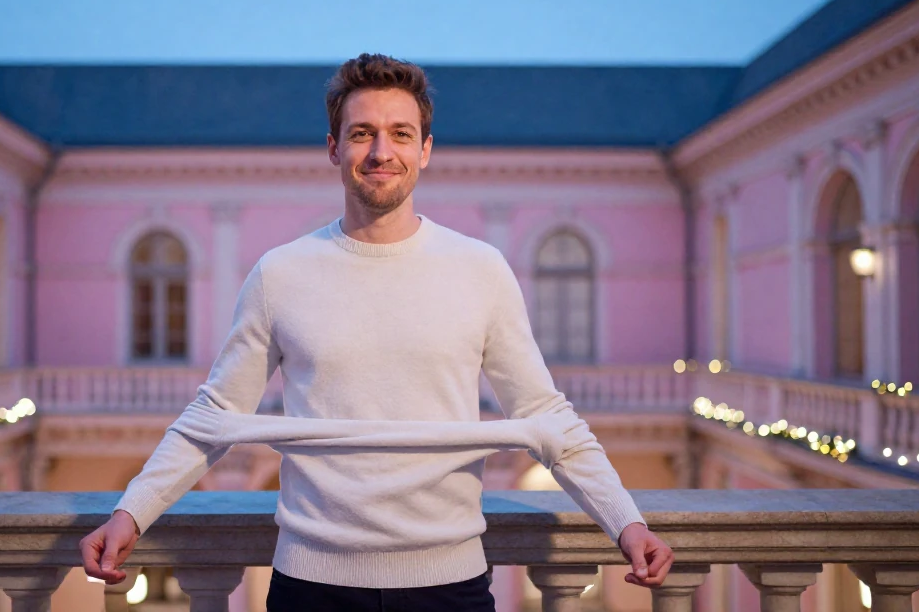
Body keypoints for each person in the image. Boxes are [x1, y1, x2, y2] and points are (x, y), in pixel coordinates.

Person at [81, 53, 674, 611]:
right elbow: (214, 416)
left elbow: (547, 415)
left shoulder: (480, 269)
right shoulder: (280, 274)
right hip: (310, 586)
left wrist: (627, 522)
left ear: (426, 150)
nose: (380, 151)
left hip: (450, 585)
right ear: (334, 148)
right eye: (362, 133)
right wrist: (129, 513)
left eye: (401, 133)